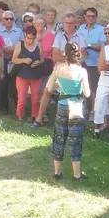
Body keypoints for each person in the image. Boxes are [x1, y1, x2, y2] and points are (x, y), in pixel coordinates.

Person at [38, 42, 91, 181]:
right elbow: (87, 93)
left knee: (59, 138)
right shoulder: (81, 71)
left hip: (62, 105)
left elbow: (49, 89)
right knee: (75, 139)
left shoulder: (58, 68)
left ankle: (57, 173)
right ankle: (77, 175)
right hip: (77, 107)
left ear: (65, 54)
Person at [10, 24, 45, 122]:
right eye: (28, 38)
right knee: (22, 98)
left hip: (36, 75)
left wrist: (38, 62)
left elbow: (42, 59)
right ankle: (20, 116)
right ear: (25, 35)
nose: (30, 41)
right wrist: (24, 60)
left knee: (35, 99)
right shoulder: (20, 44)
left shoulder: (38, 45)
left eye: (33, 38)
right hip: (22, 75)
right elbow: (14, 59)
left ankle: (35, 116)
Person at [76, 6, 105, 105]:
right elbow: (77, 41)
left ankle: (93, 110)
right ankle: (82, 109)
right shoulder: (81, 28)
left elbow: (102, 45)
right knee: (81, 86)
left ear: (96, 17)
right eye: (89, 16)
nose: (91, 18)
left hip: (94, 63)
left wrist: (88, 46)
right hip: (82, 61)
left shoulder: (101, 29)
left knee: (93, 88)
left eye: (93, 16)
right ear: (85, 17)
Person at [0, 11, 24, 114]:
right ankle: (3, 109)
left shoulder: (19, 31)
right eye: (7, 19)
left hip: (15, 61)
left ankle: (15, 108)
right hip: (3, 60)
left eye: (11, 19)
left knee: (15, 85)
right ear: (2, 20)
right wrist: (3, 49)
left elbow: (23, 46)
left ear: (14, 20)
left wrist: (14, 50)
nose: (9, 21)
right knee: (3, 84)